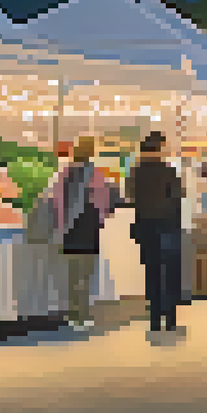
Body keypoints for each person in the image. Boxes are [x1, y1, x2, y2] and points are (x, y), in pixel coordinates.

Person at [44, 136, 121, 329]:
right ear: (91, 153)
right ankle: (83, 314)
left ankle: (73, 314)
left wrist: (61, 225)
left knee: (72, 274)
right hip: (89, 227)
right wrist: (103, 216)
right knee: (85, 274)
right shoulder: (96, 174)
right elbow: (105, 201)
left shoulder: (64, 174)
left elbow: (56, 201)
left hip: (70, 229)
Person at [128, 131, 185, 333]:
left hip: (146, 226)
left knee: (151, 272)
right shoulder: (168, 171)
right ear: (159, 148)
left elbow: (130, 197)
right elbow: (179, 196)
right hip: (168, 226)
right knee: (169, 272)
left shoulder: (136, 172)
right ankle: (170, 318)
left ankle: (154, 318)